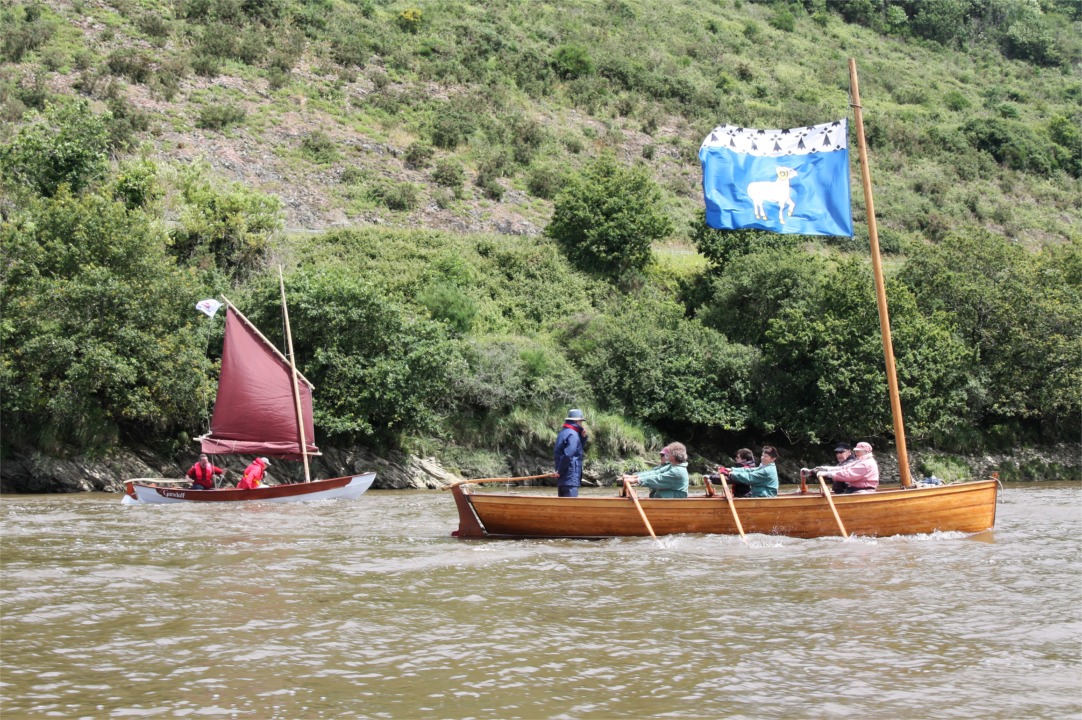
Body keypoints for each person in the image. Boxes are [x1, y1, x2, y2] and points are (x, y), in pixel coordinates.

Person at [623, 442, 689, 498]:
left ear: (674, 456)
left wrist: (637, 480)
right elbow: (656, 473)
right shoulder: (672, 465)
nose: (668, 455)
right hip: (673, 493)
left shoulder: (678, 471)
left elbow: (658, 479)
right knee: (654, 492)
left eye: (670, 453)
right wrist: (635, 477)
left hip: (678, 496)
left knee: (659, 494)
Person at [553, 409, 588, 497]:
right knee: (571, 504)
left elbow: (575, 449)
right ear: (576, 421)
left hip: (563, 479)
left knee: (562, 504)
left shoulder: (563, 432)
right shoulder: (573, 435)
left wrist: (583, 438)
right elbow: (568, 455)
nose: (582, 424)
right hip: (570, 477)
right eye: (581, 422)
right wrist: (560, 471)